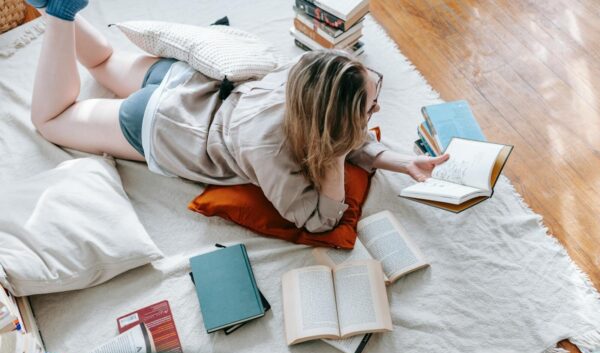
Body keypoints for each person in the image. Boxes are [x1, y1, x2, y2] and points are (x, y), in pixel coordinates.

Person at [28, 0, 449, 233]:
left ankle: (60, 7)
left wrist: (398, 160)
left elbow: (338, 123)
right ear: (334, 124)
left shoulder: (298, 79)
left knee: (101, 62)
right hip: (163, 124)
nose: (375, 111)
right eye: (371, 106)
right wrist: (338, 157)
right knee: (54, 118)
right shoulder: (272, 152)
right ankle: (60, 17)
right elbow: (317, 218)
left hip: (187, 80)